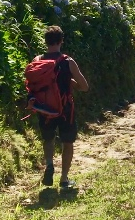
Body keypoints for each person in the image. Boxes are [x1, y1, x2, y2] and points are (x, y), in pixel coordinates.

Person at [27, 25, 89, 189]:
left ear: (46, 42)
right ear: (61, 41)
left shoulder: (37, 61)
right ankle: (64, 179)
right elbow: (84, 86)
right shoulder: (67, 62)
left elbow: (31, 85)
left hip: (44, 109)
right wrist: (70, 82)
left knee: (48, 138)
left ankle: (49, 165)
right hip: (65, 109)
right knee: (67, 142)